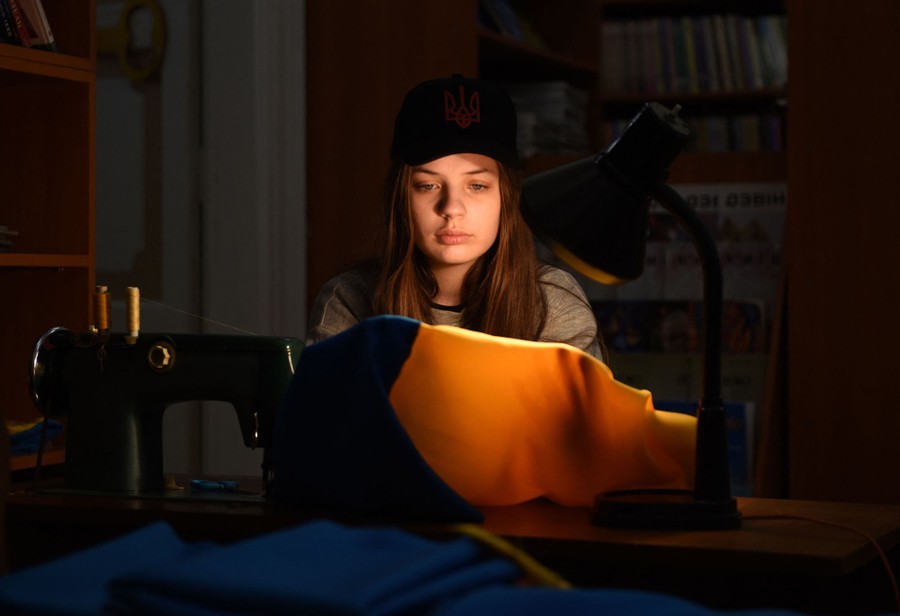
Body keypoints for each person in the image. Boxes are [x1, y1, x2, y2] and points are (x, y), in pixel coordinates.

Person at [306, 74, 604, 360]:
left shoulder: (551, 302)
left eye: (476, 186)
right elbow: (327, 411)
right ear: (401, 198)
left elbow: (583, 413)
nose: (451, 208)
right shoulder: (349, 299)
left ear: (507, 198)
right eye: (428, 185)